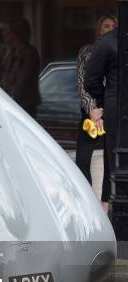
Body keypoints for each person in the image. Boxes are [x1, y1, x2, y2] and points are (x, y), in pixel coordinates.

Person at [76, 14, 116, 212]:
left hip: (110, 110)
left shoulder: (118, 50)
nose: (110, 29)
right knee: (83, 158)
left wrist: (106, 109)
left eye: (113, 26)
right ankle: (87, 202)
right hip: (91, 110)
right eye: (106, 25)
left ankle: (106, 204)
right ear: (98, 29)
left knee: (111, 159)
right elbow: (83, 83)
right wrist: (92, 110)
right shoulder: (87, 51)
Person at [1, 18, 41, 116]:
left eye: (6, 30)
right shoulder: (12, 53)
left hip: (22, 106)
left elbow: (23, 82)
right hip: (11, 104)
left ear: (15, 33)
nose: (3, 33)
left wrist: (11, 100)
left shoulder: (29, 53)